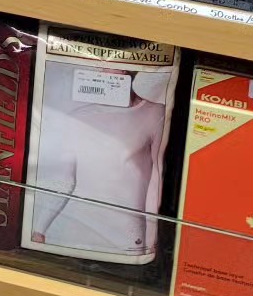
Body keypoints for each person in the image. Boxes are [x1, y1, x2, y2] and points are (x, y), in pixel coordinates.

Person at [29, 67, 169, 259]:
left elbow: (157, 178)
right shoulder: (78, 117)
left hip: (129, 235)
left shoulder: (155, 113)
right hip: (77, 230)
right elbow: (64, 180)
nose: (105, 70)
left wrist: (152, 235)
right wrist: (39, 229)